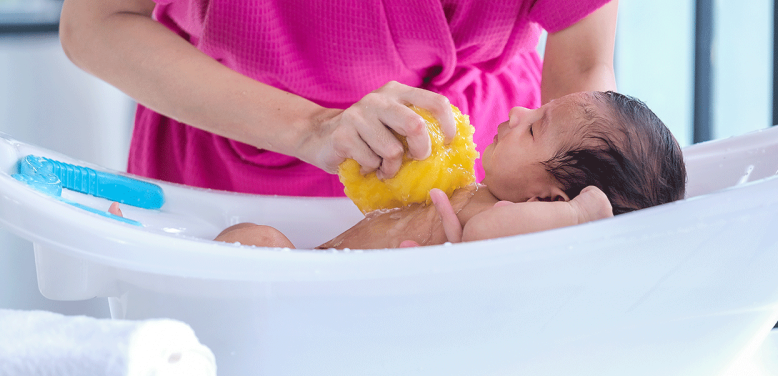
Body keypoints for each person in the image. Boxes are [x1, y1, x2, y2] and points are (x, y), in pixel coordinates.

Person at [59, 0, 618, 197]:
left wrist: (566, 207)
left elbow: (584, 66)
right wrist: (311, 128)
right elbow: (96, 22)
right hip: (231, 161)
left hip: (486, 178)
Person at [111, 91, 687, 249]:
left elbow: (489, 234)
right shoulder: (472, 195)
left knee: (254, 241)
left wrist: (589, 214)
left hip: (324, 291)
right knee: (250, 240)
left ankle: (169, 263)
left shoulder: (494, 221)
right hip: (321, 275)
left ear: (552, 201)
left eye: (534, 127)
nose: (516, 110)